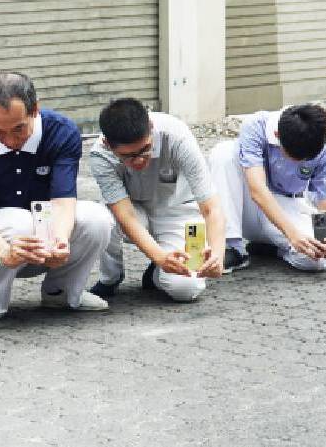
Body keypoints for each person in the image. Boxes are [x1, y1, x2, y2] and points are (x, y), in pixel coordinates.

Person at [0, 71, 112, 324]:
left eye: (18, 129)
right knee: (18, 221)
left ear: (35, 110)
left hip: (44, 234)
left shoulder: (62, 131)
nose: (10, 140)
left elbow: (62, 201)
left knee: (98, 218)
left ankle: (62, 292)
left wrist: (59, 242)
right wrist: (4, 253)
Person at [89, 98, 225, 303]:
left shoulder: (177, 136)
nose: (139, 160)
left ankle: (155, 276)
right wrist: (160, 257)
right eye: (128, 156)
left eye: (145, 149)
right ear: (108, 145)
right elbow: (125, 216)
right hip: (134, 212)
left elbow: (210, 207)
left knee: (186, 289)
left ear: (151, 128)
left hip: (179, 210)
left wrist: (217, 255)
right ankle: (111, 277)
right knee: (102, 218)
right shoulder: (100, 155)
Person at [208, 104, 326, 273]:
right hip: (247, 203)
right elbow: (257, 190)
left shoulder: (323, 145)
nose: (300, 163)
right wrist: (292, 234)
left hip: (289, 204)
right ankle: (232, 246)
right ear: (277, 136)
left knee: (318, 258)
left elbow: (324, 203)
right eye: (295, 157)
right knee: (224, 152)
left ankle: (272, 249)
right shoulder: (255, 126)